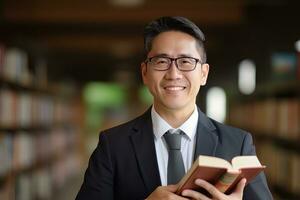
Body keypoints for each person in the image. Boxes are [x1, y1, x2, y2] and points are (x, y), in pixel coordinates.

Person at [76, 16, 273, 200]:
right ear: (145, 72)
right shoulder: (112, 145)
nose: (173, 74)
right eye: (161, 61)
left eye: (186, 62)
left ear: (204, 74)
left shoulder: (238, 144)